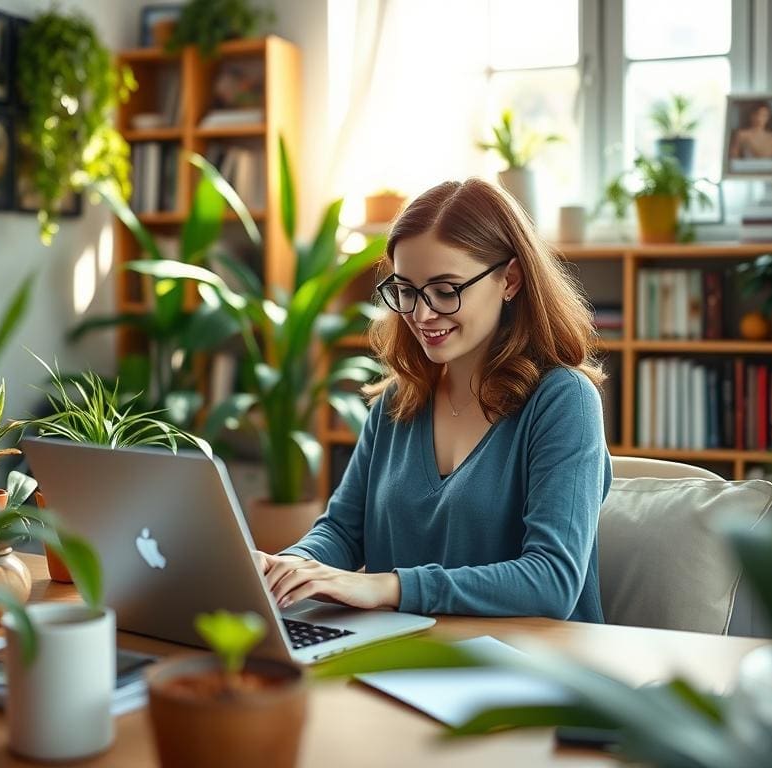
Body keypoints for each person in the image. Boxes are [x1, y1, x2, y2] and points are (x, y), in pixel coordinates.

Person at [255, 178, 611, 622]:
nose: (422, 315)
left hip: (530, 673)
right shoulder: (396, 403)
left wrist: (389, 586)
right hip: (409, 657)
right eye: (406, 290)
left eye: (446, 290)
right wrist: (286, 568)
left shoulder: (563, 402)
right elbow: (343, 532)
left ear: (511, 280)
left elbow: (551, 581)